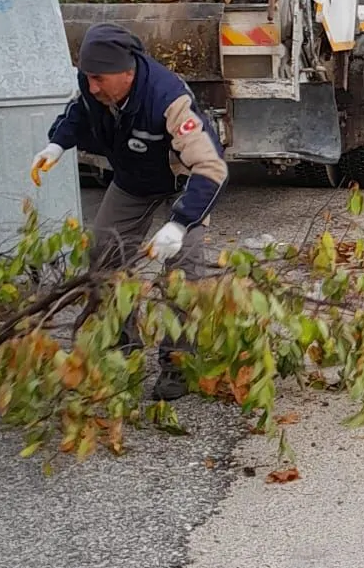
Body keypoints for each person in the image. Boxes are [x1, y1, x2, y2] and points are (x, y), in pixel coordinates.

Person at [30, 22, 228, 397]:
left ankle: (178, 363)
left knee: (183, 268)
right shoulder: (95, 86)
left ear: (128, 71)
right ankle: (122, 344)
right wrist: (56, 145)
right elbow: (78, 111)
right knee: (104, 252)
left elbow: (211, 168)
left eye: (99, 79)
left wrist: (180, 223)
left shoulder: (169, 99)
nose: (92, 87)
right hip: (134, 180)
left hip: (183, 183)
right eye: (88, 77)